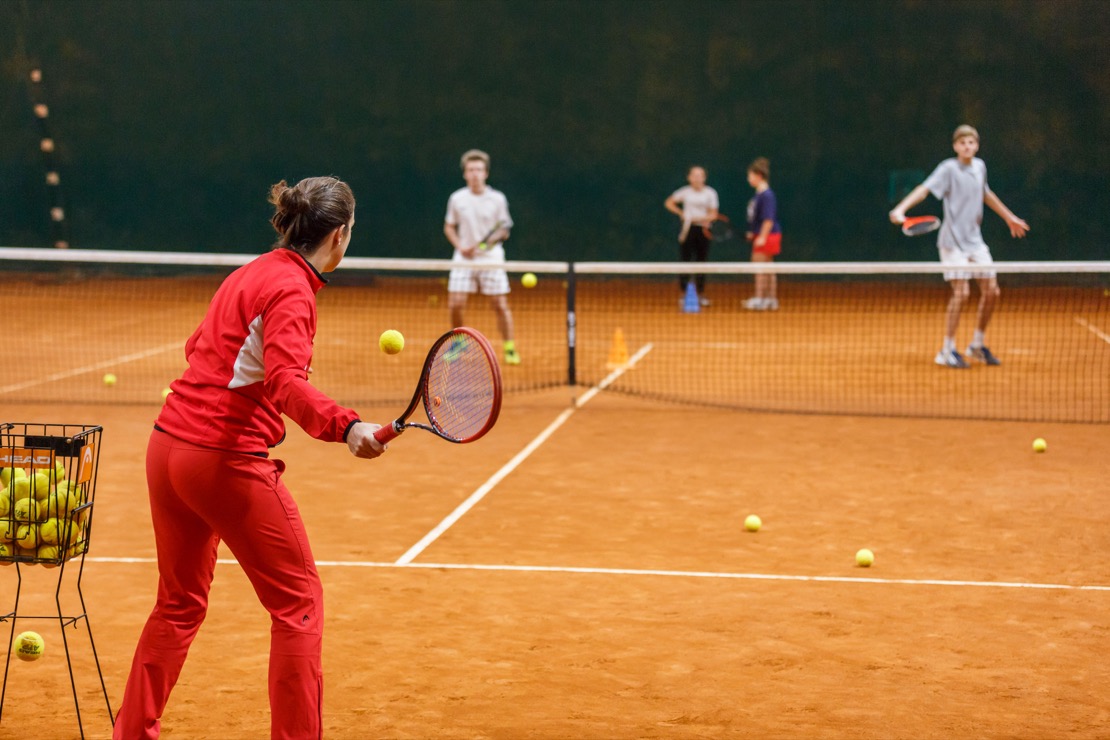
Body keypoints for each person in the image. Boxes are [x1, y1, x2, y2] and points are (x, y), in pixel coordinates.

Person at [114, 176, 386, 740]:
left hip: (167, 449)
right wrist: (347, 425)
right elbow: (285, 381)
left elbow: (199, 348)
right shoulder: (292, 290)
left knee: (178, 604)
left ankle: (131, 734)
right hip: (221, 459)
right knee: (299, 605)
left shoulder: (250, 272)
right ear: (338, 234)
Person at [889, 125, 1030, 368]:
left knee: (992, 291)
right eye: (963, 142)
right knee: (962, 293)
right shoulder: (948, 169)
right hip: (951, 243)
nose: (967, 146)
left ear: (977, 145)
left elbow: (986, 194)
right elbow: (924, 190)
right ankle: (947, 350)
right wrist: (901, 209)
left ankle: (976, 344)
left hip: (975, 242)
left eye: (971, 143)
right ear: (955, 146)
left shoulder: (980, 167)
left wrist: (1009, 217)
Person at [444, 149, 520, 365]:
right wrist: (461, 246)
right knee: (456, 303)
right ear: (465, 174)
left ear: (486, 173)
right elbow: (449, 227)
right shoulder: (457, 198)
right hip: (463, 257)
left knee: (499, 304)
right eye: (471, 170)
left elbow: (504, 229)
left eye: (479, 169)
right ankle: (459, 342)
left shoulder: (497, 199)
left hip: (491, 258)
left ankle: (509, 346)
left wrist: (488, 243)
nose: (475, 174)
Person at [664, 165, 718, 306]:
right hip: (687, 230)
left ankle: (700, 294)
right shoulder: (685, 192)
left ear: (704, 178)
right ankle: (683, 294)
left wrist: (700, 219)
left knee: (701, 262)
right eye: (694, 175)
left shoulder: (710, 193)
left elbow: (713, 214)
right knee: (685, 262)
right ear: (689, 178)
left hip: (704, 230)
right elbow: (669, 202)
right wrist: (681, 213)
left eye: (700, 175)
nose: (697, 178)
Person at [743, 157, 781, 311]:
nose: (749, 179)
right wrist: (754, 233)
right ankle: (770, 299)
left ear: (758, 175)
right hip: (765, 234)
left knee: (759, 267)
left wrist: (762, 237)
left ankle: (760, 299)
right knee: (768, 267)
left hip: (768, 235)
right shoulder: (760, 195)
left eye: (750, 176)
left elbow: (768, 220)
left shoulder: (766, 195)